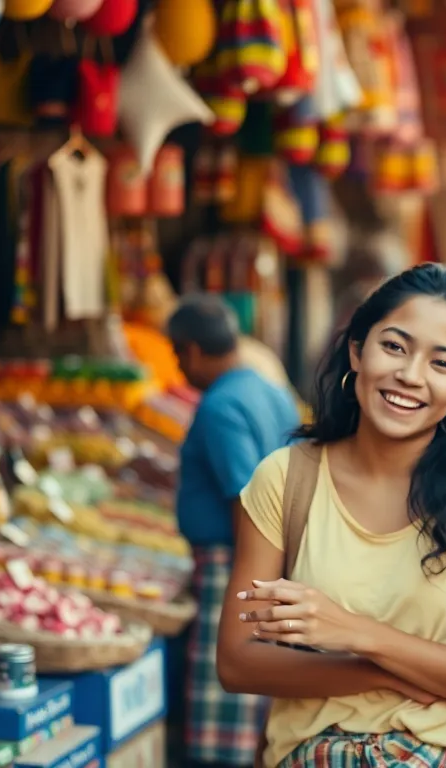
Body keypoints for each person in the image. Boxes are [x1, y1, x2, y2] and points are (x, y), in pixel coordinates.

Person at [217, 264, 446, 768]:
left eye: (442, 363)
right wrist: (379, 672)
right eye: (394, 346)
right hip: (307, 752)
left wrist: (356, 632)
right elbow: (237, 661)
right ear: (356, 351)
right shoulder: (285, 479)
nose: (410, 375)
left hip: (440, 751)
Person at [167, 295, 301, 768]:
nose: (180, 368)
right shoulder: (270, 390)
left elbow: (243, 498)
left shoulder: (221, 405)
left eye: (178, 355)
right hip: (270, 558)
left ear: (194, 350)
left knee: (226, 713)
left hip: (237, 559)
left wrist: (248, 587)